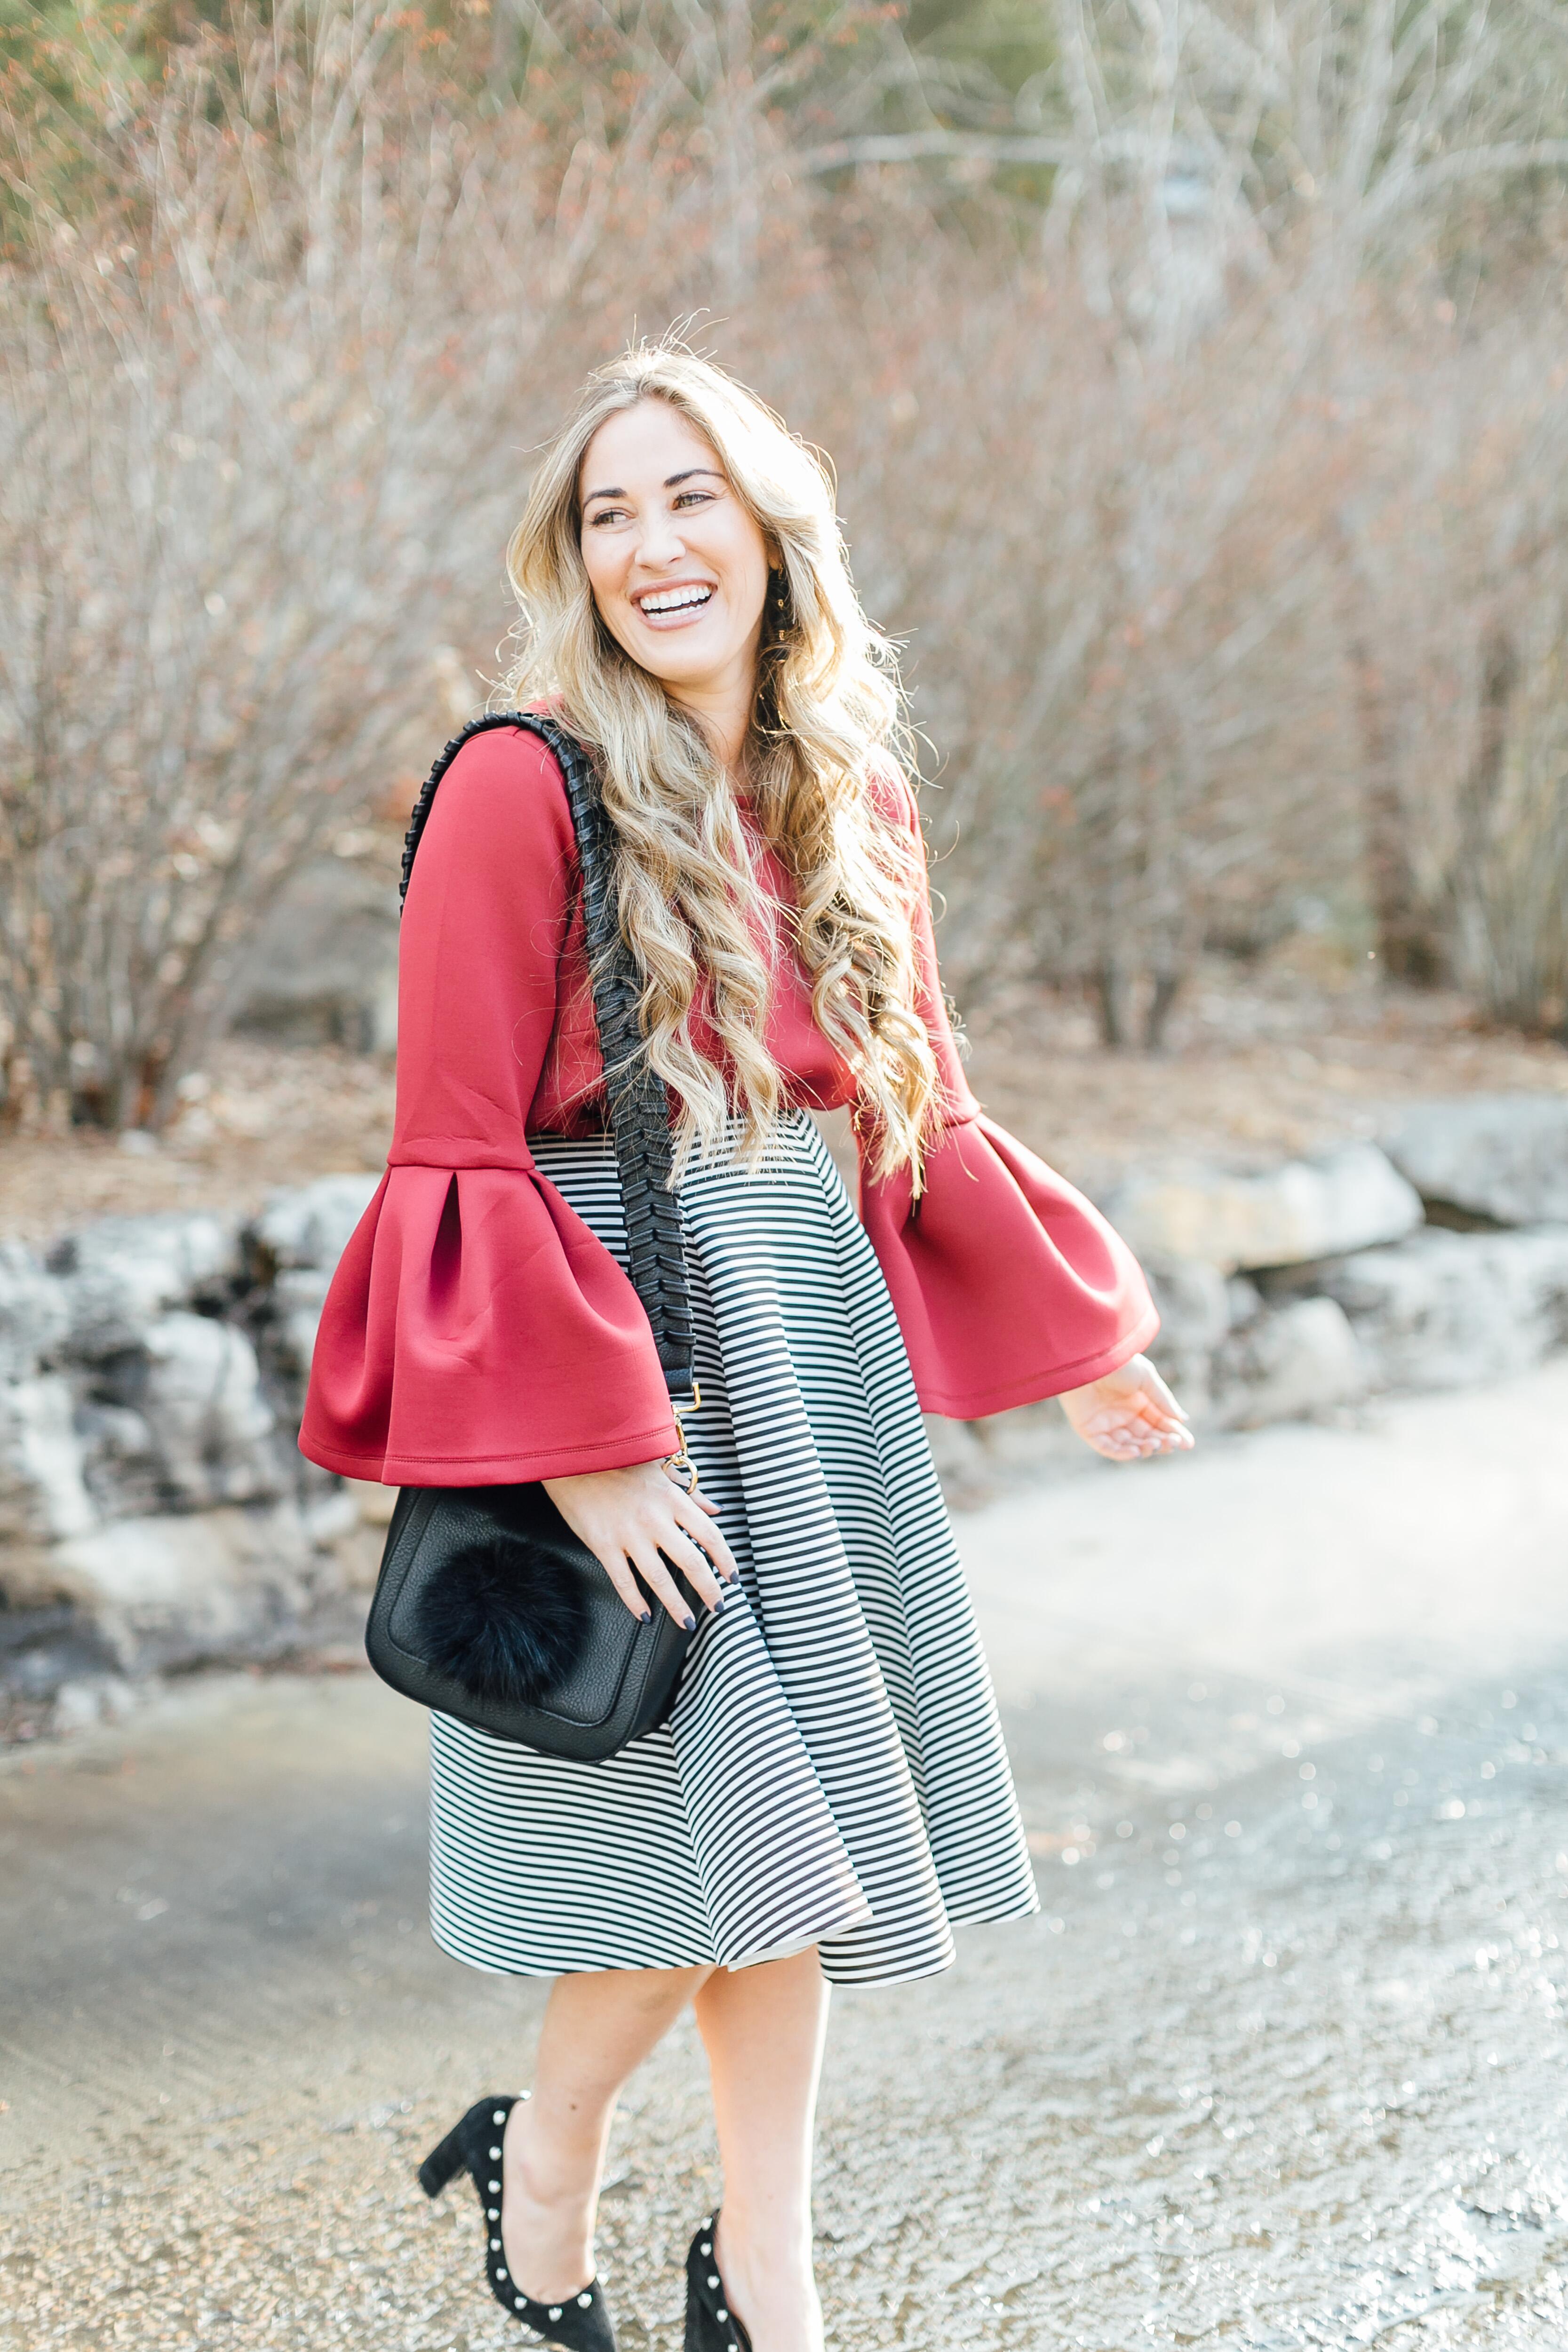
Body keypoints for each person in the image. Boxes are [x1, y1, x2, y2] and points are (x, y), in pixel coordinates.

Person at [299, 342, 1192, 2352]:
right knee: (729, 1830)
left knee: (781, 1850)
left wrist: (1073, 1339)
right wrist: (587, 1438)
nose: (650, 543)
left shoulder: (851, 790)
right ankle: (545, 2153)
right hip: (622, 1332)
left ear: (774, 528)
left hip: (810, 1332)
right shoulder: (521, 782)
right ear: (576, 555)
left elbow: (914, 1102)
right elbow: (450, 1143)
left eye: (688, 493)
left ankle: (767, 2279)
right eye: (609, 510)